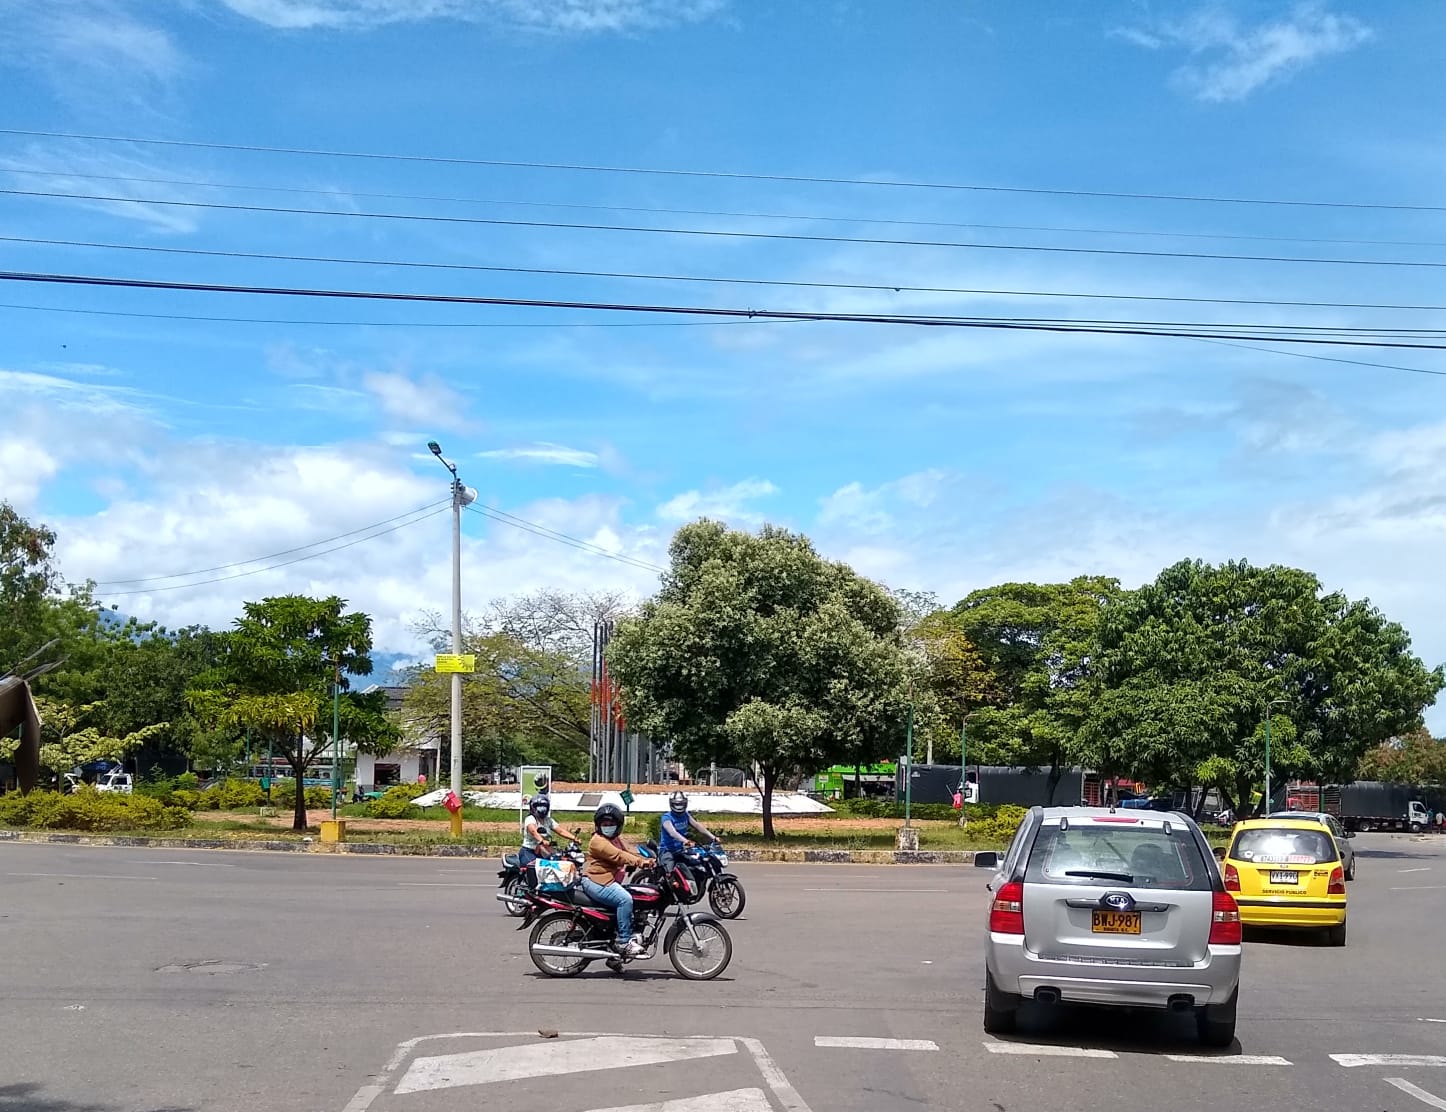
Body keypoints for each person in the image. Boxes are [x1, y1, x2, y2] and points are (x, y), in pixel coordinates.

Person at [583, 802, 648, 956]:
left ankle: (614, 954)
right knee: (625, 900)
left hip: (607, 881)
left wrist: (649, 857)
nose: (608, 826)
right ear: (598, 825)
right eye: (604, 823)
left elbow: (630, 850)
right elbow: (618, 855)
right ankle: (625, 942)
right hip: (595, 881)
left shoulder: (616, 838)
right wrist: (640, 862)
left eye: (611, 823)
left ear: (618, 825)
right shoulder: (598, 841)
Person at [519, 795, 580, 869]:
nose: (542, 809)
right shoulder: (530, 819)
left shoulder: (548, 820)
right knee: (533, 868)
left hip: (544, 850)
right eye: (538, 806)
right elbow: (533, 831)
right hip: (529, 851)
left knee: (555, 866)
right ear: (533, 807)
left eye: (544, 806)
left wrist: (574, 838)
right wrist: (542, 840)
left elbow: (560, 831)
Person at [659, 791, 718, 863]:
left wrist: (713, 837)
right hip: (667, 851)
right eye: (677, 804)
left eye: (681, 804)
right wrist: (686, 841)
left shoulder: (685, 815)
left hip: (681, 850)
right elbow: (672, 832)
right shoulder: (666, 818)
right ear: (671, 803)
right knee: (670, 870)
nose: (679, 806)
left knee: (698, 863)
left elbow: (697, 826)